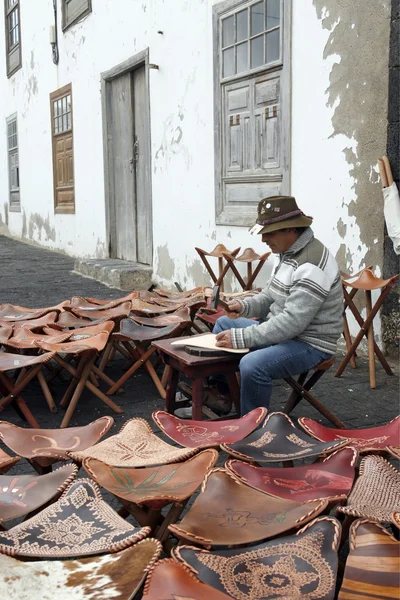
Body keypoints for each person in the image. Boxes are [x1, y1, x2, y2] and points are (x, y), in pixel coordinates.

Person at [204, 195, 344, 416]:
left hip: (310, 343)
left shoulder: (311, 263)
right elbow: (270, 295)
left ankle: (254, 429)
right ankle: (223, 394)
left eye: (269, 233)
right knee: (223, 323)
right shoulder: (289, 252)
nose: (263, 240)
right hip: (287, 333)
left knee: (253, 365)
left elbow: (292, 323)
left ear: (291, 229)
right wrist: (243, 306)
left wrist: (244, 337)